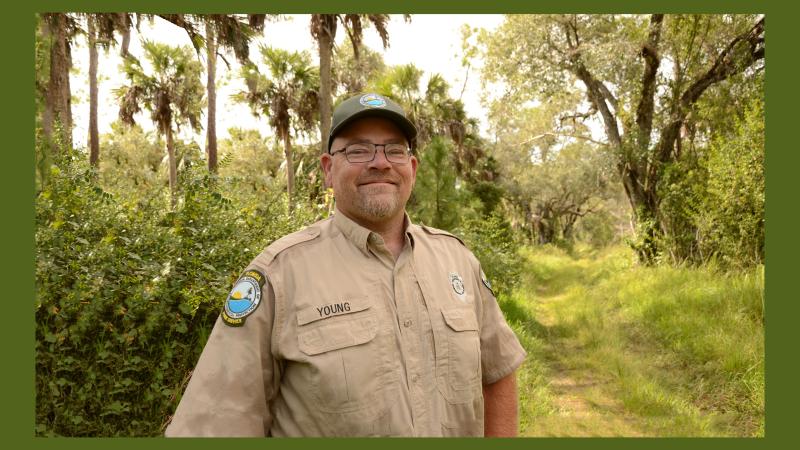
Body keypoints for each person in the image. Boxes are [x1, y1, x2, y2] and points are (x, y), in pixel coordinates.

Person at [165, 93, 526, 437]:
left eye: (394, 149)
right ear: (327, 169)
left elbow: (497, 374)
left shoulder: (457, 261)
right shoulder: (279, 275)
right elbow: (218, 422)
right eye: (358, 150)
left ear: (411, 168)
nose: (380, 162)